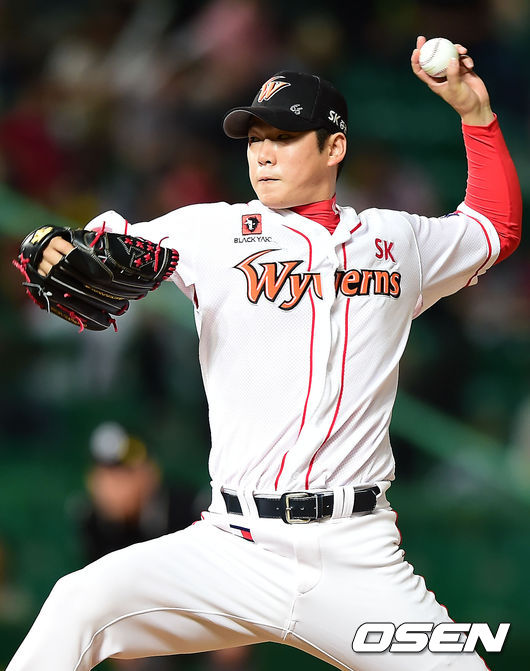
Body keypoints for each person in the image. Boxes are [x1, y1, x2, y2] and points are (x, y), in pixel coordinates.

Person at [7, 36, 522, 671]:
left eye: (283, 137)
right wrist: (61, 248)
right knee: (78, 603)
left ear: (334, 147)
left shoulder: (399, 240)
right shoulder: (211, 231)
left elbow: (494, 227)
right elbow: (108, 248)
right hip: (233, 545)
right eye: (255, 139)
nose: (263, 153)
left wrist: (475, 114)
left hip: (357, 555)